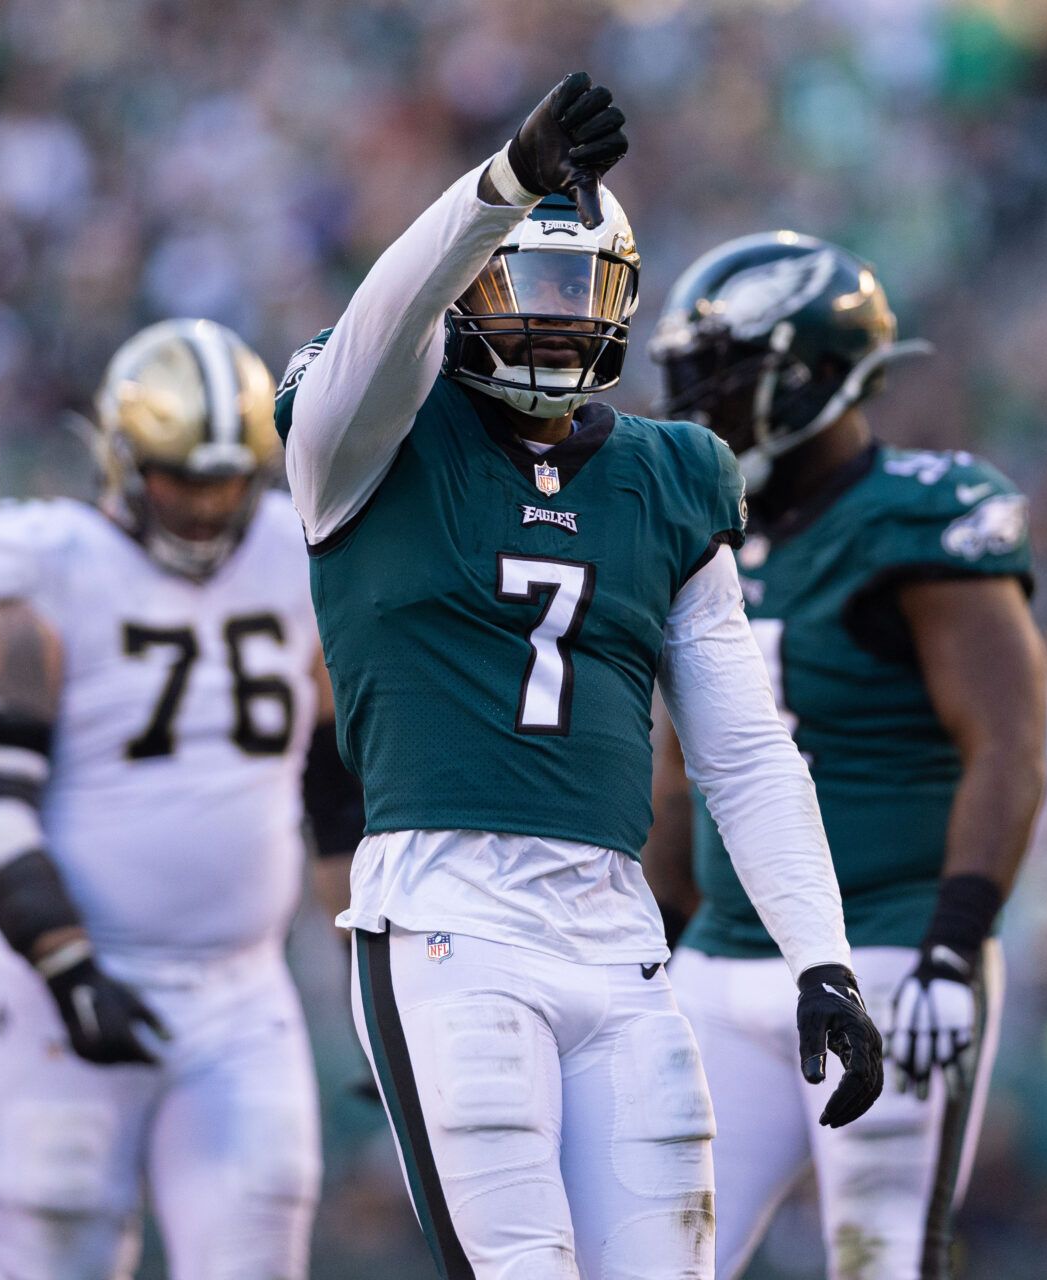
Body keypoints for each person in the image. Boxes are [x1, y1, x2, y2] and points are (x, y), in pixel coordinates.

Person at [275, 73, 883, 1280]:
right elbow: (385, 321)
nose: (554, 323)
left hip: (620, 934)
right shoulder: (370, 441)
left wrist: (823, 952)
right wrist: (496, 187)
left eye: (578, 293)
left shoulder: (670, 473)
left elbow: (745, 746)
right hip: (449, 920)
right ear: (466, 293)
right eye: (524, 289)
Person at [645, 233, 1047, 1280]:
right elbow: (679, 770)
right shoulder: (708, 524)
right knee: (641, 1257)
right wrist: (645, 943)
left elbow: (1007, 737)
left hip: (882, 948)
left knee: (879, 1258)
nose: (704, 411)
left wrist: (953, 942)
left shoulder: (915, 515)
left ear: (813, 376)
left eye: (725, 384)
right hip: (722, 956)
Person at [0, 318, 337, 1280]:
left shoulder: (297, 555)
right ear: (122, 462)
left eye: (225, 480)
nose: (205, 507)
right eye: (179, 478)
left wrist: (380, 978)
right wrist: (68, 965)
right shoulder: (45, 561)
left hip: (245, 993)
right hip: (65, 989)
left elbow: (338, 787)